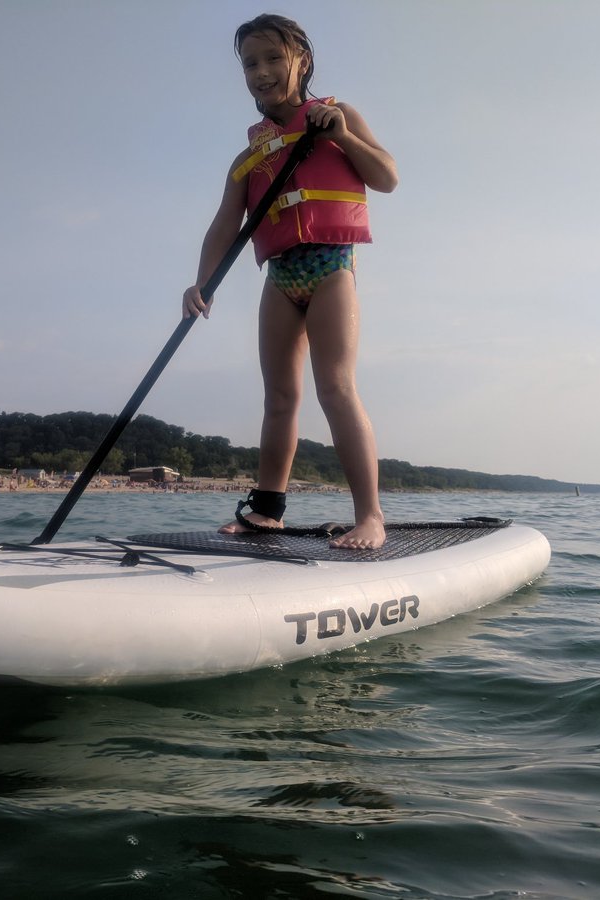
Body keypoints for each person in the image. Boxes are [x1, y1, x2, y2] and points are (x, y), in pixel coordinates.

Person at [182, 13, 398, 550]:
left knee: (335, 387)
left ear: (300, 58)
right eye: (250, 63)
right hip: (281, 278)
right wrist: (200, 284)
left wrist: (343, 136)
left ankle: (370, 515)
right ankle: (266, 512)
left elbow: (387, 176)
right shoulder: (247, 158)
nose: (262, 71)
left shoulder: (335, 117)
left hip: (330, 268)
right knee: (278, 399)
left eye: (273, 58)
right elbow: (222, 227)